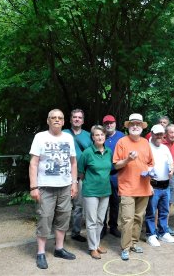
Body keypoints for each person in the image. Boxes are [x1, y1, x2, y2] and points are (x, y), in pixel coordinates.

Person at [29, 109, 78, 269]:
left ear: (64, 122)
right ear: (48, 120)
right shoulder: (40, 137)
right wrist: (33, 186)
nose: (57, 120)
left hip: (65, 186)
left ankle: (59, 248)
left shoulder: (69, 138)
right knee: (44, 218)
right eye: (53, 118)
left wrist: (74, 183)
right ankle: (41, 253)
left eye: (60, 118)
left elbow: (73, 162)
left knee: (64, 217)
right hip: (45, 187)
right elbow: (34, 163)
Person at [113, 113, 154, 261]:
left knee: (138, 218)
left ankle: (134, 243)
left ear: (142, 127)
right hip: (127, 187)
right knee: (127, 219)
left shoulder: (145, 143)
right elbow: (116, 165)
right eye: (132, 124)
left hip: (143, 187)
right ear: (128, 126)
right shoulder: (122, 142)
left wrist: (150, 173)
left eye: (138, 124)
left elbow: (150, 164)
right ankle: (125, 248)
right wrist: (128, 159)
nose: (135, 126)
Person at [78, 125, 112, 260]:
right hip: (91, 191)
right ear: (93, 137)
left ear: (105, 136)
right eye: (97, 135)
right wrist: (89, 183)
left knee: (100, 221)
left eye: (102, 135)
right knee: (91, 221)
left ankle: (97, 244)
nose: (100, 137)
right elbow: (80, 172)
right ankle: (92, 248)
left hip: (105, 190)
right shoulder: (87, 152)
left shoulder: (109, 151)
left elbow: (111, 168)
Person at [63, 109, 92, 242]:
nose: (77, 119)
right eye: (74, 117)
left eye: (79, 117)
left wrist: (85, 172)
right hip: (63, 175)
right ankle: (61, 232)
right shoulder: (63, 134)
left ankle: (75, 232)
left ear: (83, 120)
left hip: (80, 176)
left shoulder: (88, 136)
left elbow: (91, 155)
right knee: (62, 206)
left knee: (78, 205)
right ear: (70, 119)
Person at [145, 124, 174, 247]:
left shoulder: (164, 148)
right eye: (157, 134)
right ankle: (151, 235)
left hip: (166, 185)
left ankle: (163, 232)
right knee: (151, 212)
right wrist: (148, 184)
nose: (159, 136)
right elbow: (144, 167)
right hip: (153, 185)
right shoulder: (147, 147)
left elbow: (171, 164)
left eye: (161, 134)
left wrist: (172, 169)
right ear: (152, 134)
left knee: (164, 211)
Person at [101, 114, 125, 238]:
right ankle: (103, 227)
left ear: (115, 123)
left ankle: (113, 226)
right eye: (106, 123)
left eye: (111, 123)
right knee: (103, 202)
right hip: (103, 175)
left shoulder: (122, 137)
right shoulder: (100, 136)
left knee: (115, 201)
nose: (109, 125)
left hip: (117, 174)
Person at [162, 123, 174, 236]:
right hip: (161, 177)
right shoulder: (161, 144)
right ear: (165, 133)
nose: (172, 135)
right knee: (159, 203)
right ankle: (157, 227)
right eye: (170, 132)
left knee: (169, 202)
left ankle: (165, 226)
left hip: (172, 176)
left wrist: (172, 172)